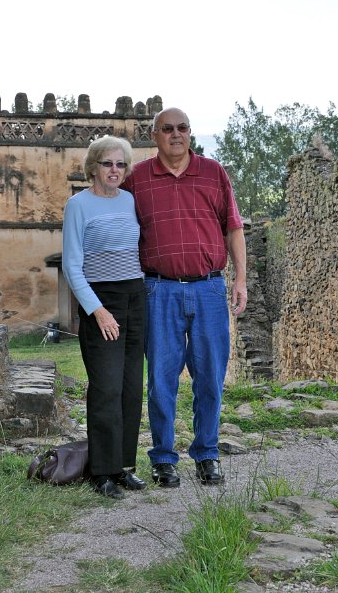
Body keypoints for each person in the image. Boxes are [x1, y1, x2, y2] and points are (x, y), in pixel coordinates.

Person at [122, 108, 247, 488]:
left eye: (182, 128)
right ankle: (163, 459)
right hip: (158, 290)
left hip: (209, 289)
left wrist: (240, 279)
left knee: (210, 377)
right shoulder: (137, 179)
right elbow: (119, 229)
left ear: (190, 133)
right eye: (167, 129)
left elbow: (234, 228)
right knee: (161, 380)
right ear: (154, 136)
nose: (175, 134)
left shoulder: (213, 172)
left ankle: (207, 454)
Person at [62, 135, 147, 499]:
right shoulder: (78, 205)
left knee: (130, 387)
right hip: (101, 301)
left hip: (135, 297)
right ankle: (101, 472)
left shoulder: (129, 200)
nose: (115, 170)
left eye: (121, 164)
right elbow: (72, 266)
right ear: (93, 167)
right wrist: (97, 311)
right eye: (108, 163)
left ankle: (124, 466)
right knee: (106, 387)